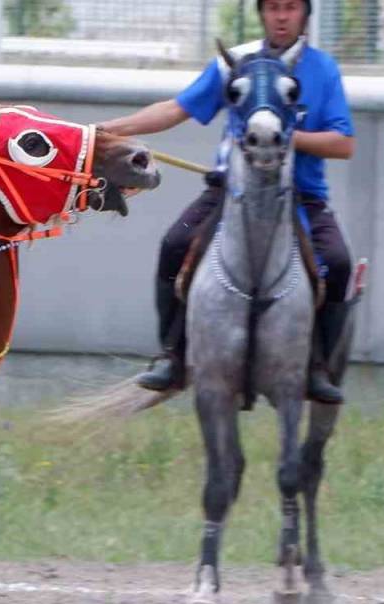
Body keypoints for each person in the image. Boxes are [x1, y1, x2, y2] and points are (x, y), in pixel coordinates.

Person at [98, 0, 355, 404]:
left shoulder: (323, 70)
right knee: (174, 246)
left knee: (338, 264)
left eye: (291, 8)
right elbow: (175, 109)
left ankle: (317, 367)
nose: (281, 16)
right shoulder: (234, 62)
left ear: (305, 14)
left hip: (302, 198)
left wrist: (277, 135)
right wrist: (107, 129)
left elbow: (343, 143)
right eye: (273, 7)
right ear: (262, 13)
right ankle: (173, 355)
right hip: (230, 192)